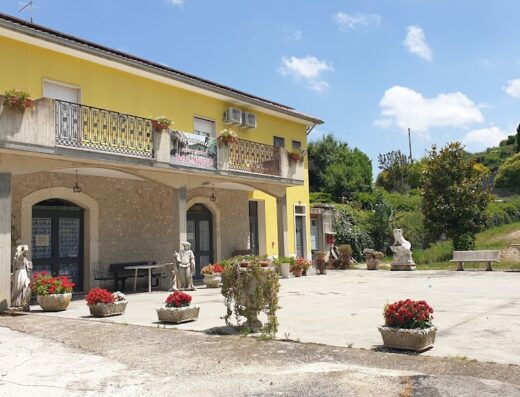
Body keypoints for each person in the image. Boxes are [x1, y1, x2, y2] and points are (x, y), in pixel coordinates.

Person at [11, 245, 32, 311]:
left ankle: (23, 302)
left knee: (24, 287)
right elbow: (14, 268)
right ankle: (18, 302)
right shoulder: (19, 258)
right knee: (19, 287)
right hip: (20, 273)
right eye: (25, 252)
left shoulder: (23, 259)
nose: (26, 253)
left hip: (23, 273)